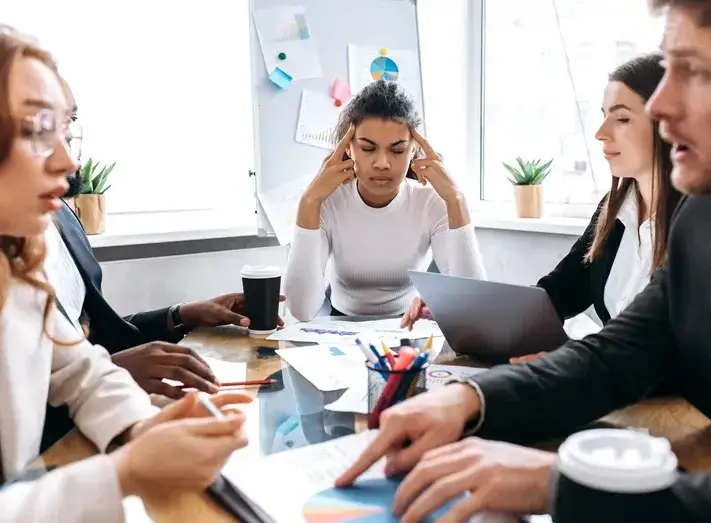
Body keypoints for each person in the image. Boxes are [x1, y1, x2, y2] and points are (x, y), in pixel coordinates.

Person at [337, 1, 711, 521]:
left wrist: (568, 488)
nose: (660, 108)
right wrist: (469, 401)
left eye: (698, 72)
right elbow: (616, 356)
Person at [0, 26, 250, 522]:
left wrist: (142, 430)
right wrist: (124, 472)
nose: (70, 163)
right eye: (35, 133)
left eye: (66, 132)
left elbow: (79, 369)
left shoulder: (18, 264)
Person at [38, 82, 286, 450]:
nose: (70, 160)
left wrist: (182, 315)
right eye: (38, 131)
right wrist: (115, 370)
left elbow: (95, 339)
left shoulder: (61, 220)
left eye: (69, 125)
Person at [401, 52, 682, 355]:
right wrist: (463, 308)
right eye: (604, 116)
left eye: (622, 118)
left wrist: (576, 363)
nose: (601, 133)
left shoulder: (698, 222)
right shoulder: (616, 208)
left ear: (667, 124)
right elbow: (557, 293)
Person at [282, 80, 486, 320]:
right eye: (368, 148)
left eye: (397, 150)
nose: (382, 163)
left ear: (413, 151)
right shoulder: (327, 201)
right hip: (340, 325)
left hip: (408, 327)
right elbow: (301, 310)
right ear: (348, 148)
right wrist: (309, 201)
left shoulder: (431, 201)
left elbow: (472, 305)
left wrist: (456, 199)